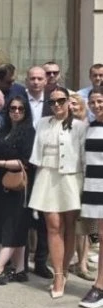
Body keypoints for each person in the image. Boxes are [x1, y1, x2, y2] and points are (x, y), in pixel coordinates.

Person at [28, 87, 86, 299]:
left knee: (69, 227)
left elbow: (83, 157)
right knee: (53, 226)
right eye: (52, 102)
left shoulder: (80, 126)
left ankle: (65, 270)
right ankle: (58, 275)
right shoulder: (43, 123)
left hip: (71, 179)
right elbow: (36, 152)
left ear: (68, 102)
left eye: (61, 100)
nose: (56, 105)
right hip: (47, 176)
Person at [0, 96, 36, 286]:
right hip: (1, 184)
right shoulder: (5, 130)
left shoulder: (29, 132)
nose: (16, 112)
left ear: (26, 111)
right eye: (13, 108)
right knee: (14, 226)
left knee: (12, 228)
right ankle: (19, 270)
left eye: (20, 109)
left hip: (18, 185)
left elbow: (25, 162)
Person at [23, 66, 53, 279]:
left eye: (39, 78)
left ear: (45, 81)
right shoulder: (18, 101)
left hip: (45, 166)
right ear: (27, 80)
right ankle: (21, 262)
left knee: (44, 216)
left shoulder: (53, 103)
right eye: (32, 78)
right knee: (22, 215)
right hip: (23, 166)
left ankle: (41, 261)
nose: (35, 82)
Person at [79, 86, 103, 308]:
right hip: (94, 187)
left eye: (100, 102)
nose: (96, 106)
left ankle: (100, 286)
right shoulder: (90, 127)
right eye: (93, 102)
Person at [69, 92, 96, 281]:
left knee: (86, 225)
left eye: (75, 103)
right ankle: (73, 261)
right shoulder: (64, 126)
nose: (72, 107)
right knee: (73, 224)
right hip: (70, 179)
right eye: (69, 104)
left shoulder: (90, 127)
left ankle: (83, 263)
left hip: (88, 179)